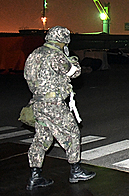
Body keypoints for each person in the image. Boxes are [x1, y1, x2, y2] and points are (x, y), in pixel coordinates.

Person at [24, 26, 95, 190]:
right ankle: (76, 170)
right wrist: (74, 60)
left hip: (38, 102)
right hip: (53, 104)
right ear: (63, 40)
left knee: (42, 138)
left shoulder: (34, 54)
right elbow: (73, 72)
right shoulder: (56, 54)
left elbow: (28, 76)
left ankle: (35, 176)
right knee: (72, 132)